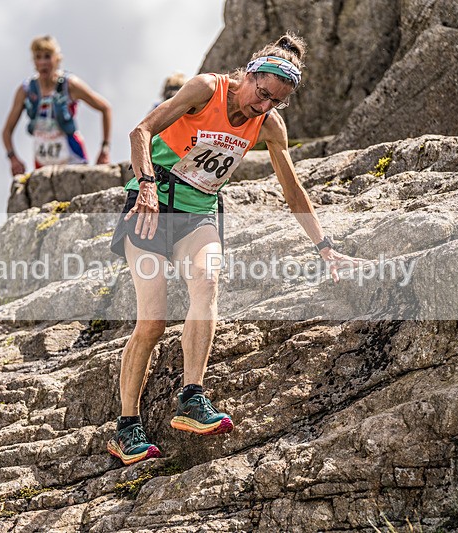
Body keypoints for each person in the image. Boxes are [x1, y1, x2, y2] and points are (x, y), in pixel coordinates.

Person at [106, 33, 363, 465]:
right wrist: (146, 186)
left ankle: (192, 399)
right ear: (248, 74)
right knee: (152, 322)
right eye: (261, 94)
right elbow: (141, 131)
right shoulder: (207, 89)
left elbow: (292, 189)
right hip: (152, 206)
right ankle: (126, 428)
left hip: (200, 213)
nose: (261, 107)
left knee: (207, 283)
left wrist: (325, 247)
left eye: (274, 102)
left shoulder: (268, 125)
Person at [2, 35, 112, 176]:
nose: (43, 62)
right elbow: (6, 131)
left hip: (72, 157)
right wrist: (13, 159)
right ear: (33, 61)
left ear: (57, 59)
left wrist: (105, 149)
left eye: (47, 57)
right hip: (42, 161)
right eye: (38, 57)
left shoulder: (70, 85)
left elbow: (105, 108)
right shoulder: (27, 90)